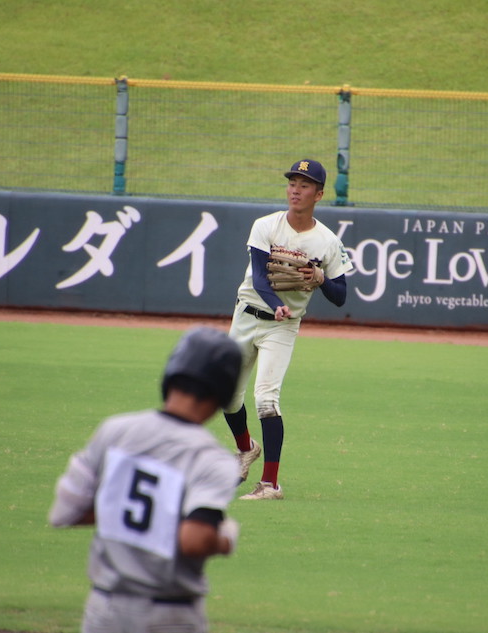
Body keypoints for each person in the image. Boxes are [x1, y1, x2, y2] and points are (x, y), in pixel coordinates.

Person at [48, 326, 244, 633]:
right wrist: (225, 539)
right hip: (171, 616)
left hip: (104, 612)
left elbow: (63, 512)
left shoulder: (114, 430)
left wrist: (125, 507)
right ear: (224, 392)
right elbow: (194, 541)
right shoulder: (213, 459)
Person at [224, 158, 354, 501]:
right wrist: (274, 302)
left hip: (282, 328)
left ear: (319, 194)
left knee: (266, 399)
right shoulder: (265, 225)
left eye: (304, 185)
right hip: (246, 316)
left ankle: (270, 484)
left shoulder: (327, 242)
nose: (295, 190)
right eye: (292, 183)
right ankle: (245, 449)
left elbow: (341, 297)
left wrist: (321, 278)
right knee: (226, 396)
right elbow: (260, 275)